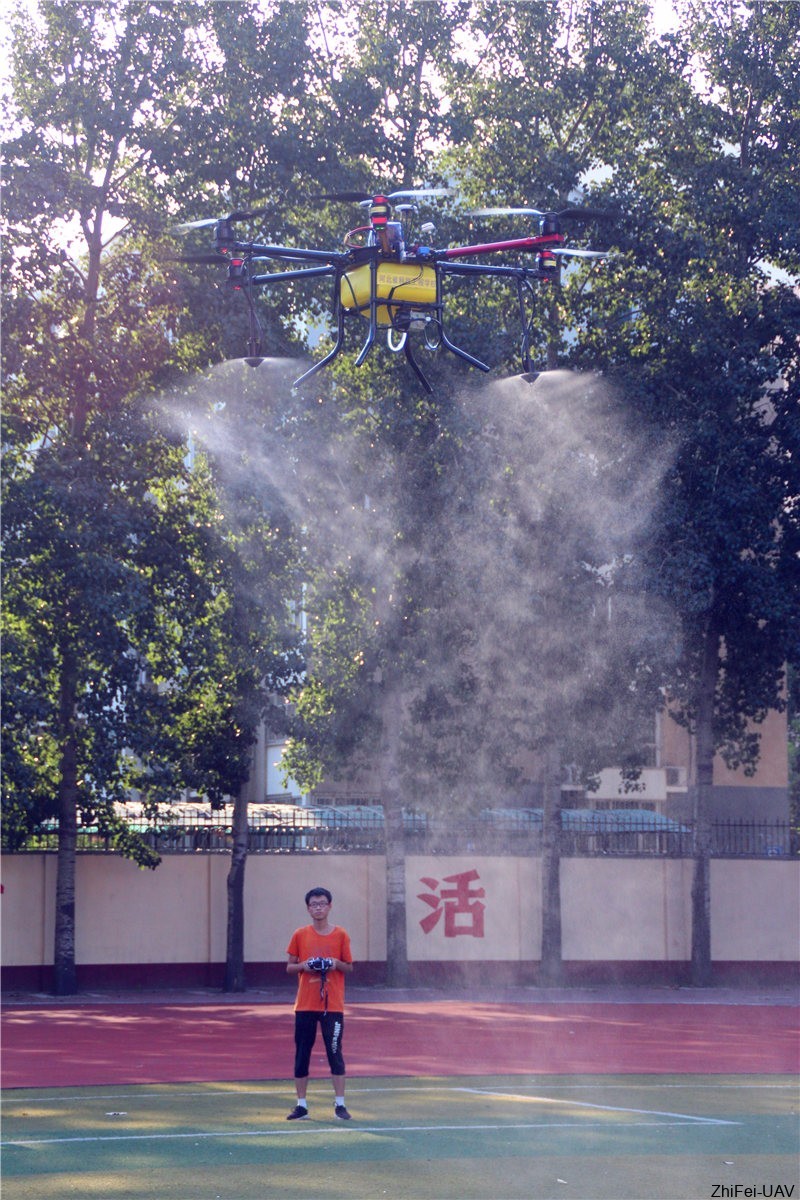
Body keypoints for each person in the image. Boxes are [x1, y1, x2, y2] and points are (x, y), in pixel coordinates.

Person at [285, 886, 353, 1121]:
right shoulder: (300, 934)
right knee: (302, 1053)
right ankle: (301, 1105)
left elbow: (349, 967)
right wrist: (306, 965)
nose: (318, 908)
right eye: (314, 904)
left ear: (330, 906)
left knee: (335, 1052)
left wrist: (334, 963)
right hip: (305, 1005)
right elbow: (290, 966)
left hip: (332, 1005)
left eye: (322, 903)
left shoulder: (341, 934)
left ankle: (340, 1105)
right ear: (308, 908)